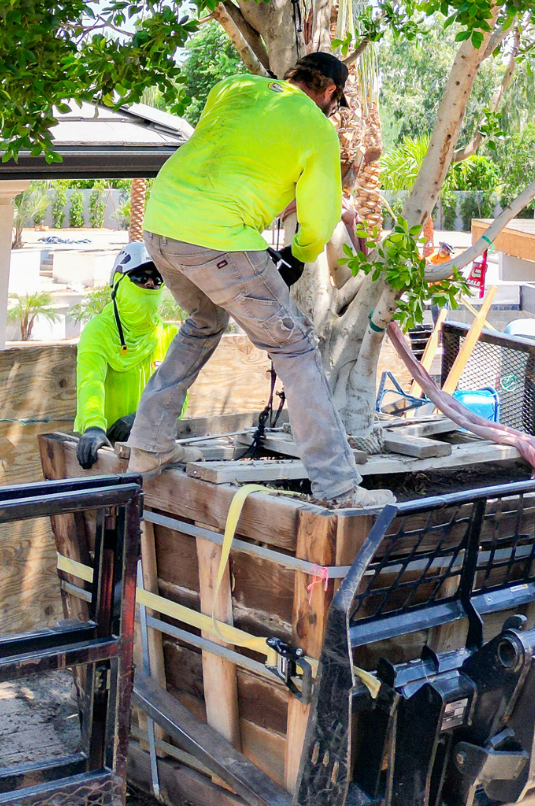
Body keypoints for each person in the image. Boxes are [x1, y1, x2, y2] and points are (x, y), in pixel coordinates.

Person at [125, 51, 392, 508]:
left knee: (204, 323)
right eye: (334, 101)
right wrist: (298, 256)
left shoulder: (234, 87)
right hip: (219, 238)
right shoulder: (316, 128)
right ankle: (339, 488)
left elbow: (232, 150)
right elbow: (320, 218)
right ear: (329, 92)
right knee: (295, 347)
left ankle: (147, 448)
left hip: (161, 224)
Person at [75, 243, 178, 468]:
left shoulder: (169, 335)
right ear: (119, 284)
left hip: (149, 447)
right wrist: (93, 428)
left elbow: (179, 392)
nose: (150, 284)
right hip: (102, 447)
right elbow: (90, 382)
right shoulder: (99, 330)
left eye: (157, 279)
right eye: (141, 278)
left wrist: (140, 420)